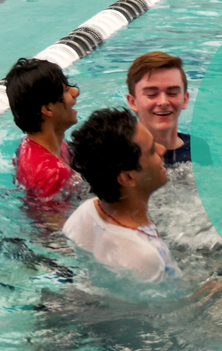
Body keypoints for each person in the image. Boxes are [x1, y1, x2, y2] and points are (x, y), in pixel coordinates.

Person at [63, 108, 181, 283]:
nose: (162, 149)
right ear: (128, 177)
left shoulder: (84, 212)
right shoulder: (148, 257)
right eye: (151, 151)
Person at [5, 58, 81, 199]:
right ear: (47, 109)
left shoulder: (28, 146)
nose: (75, 92)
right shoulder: (53, 173)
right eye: (65, 90)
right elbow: (55, 221)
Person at [125, 52, 211, 167]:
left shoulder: (197, 148)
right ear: (133, 102)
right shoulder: (120, 155)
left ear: (185, 99)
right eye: (151, 94)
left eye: (172, 93)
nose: (163, 102)